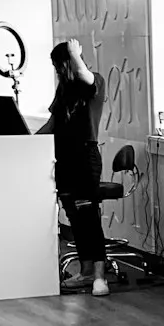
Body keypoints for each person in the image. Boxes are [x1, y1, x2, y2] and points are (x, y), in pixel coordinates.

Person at [38, 38, 109, 296]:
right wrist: (27, 141)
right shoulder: (63, 90)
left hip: (85, 158)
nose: (58, 71)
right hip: (64, 159)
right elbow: (52, 124)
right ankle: (86, 271)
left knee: (89, 218)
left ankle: (100, 277)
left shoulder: (94, 82)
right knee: (75, 219)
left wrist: (74, 52)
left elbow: (83, 74)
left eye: (60, 65)